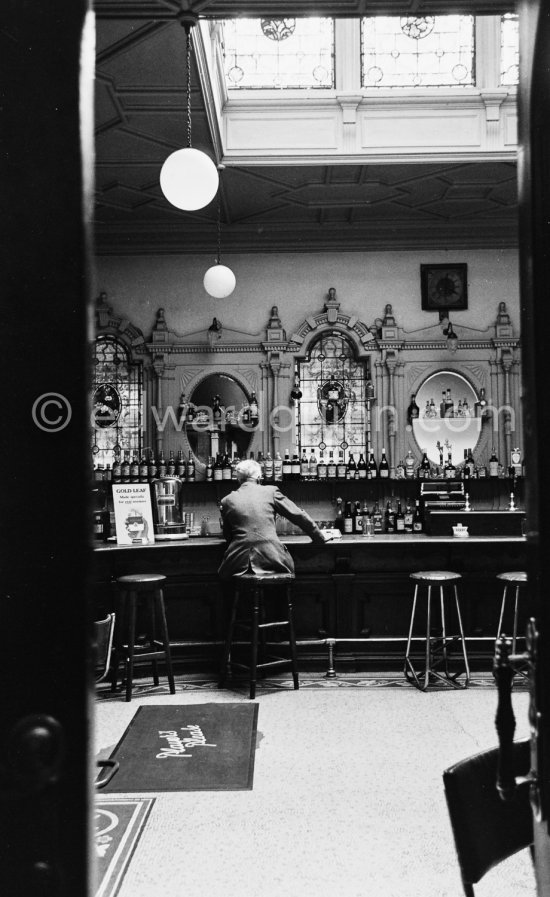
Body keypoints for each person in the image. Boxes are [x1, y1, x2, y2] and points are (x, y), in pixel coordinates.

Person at [218, 458, 332, 580]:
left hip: (237, 562)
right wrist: (319, 537)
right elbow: (298, 515)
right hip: (272, 559)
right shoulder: (270, 491)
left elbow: (228, 535)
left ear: (238, 479)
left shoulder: (226, 500)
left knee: (227, 586)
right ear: (259, 477)